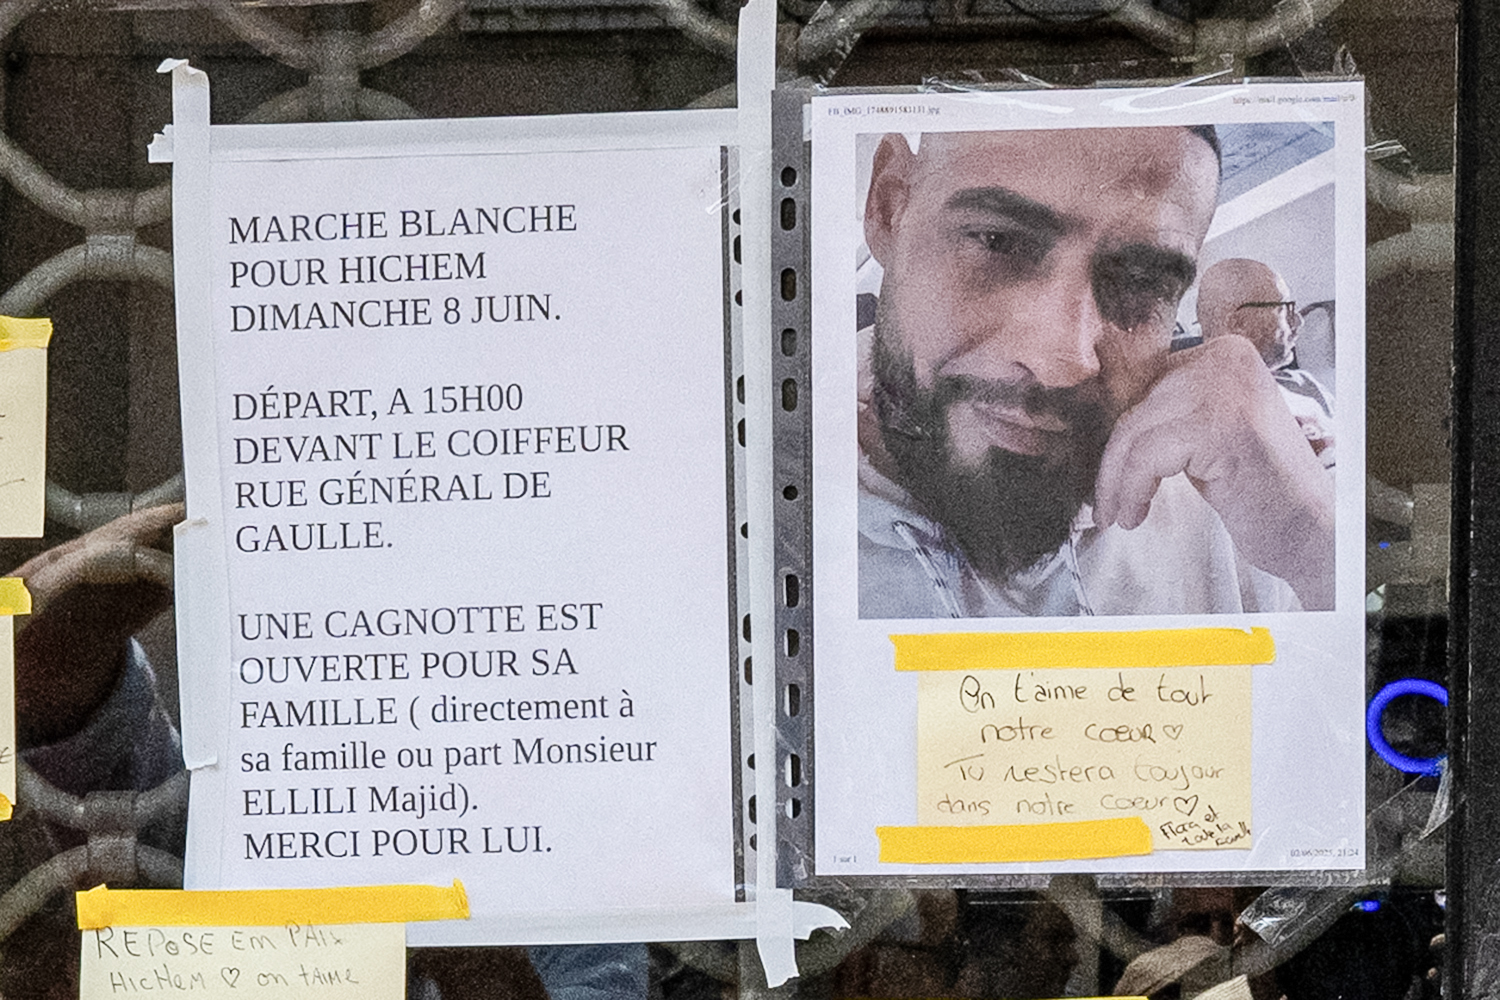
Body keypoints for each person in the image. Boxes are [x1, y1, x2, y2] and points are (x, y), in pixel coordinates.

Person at [856, 126, 1335, 617]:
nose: (1065, 364)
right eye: (998, 243)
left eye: (1142, 283)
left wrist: (1315, 545)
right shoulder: (786, 509)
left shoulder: (1234, 512)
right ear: (889, 209)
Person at [1196, 257, 1336, 468]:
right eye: (1285, 308)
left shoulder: (1304, 384)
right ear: (1240, 323)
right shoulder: (1200, 412)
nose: (1298, 320)